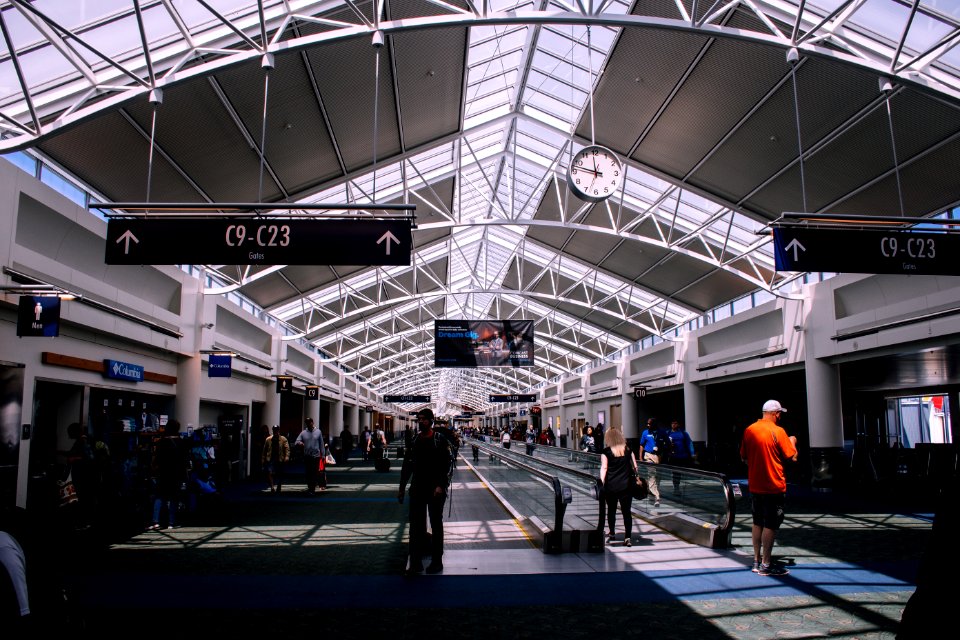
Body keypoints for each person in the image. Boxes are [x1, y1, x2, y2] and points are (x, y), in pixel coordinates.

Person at [740, 400, 798, 577]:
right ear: (775, 414)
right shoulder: (778, 431)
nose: (780, 416)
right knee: (771, 525)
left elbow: (743, 457)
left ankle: (756, 561)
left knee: (757, 522)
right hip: (773, 486)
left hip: (755, 485)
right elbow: (792, 457)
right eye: (779, 413)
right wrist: (793, 441)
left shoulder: (749, 430)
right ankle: (766, 564)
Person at [398, 408, 454, 576]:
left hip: (435, 489)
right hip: (417, 488)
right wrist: (401, 488)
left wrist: (440, 485)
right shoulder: (415, 440)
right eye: (419, 419)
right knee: (415, 526)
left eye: (423, 419)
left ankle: (437, 561)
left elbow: (447, 465)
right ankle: (415, 562)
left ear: (431, 420)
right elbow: (407, 466)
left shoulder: (439, 440)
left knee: (436, 524)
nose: (420, 422)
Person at [599, 427, 639, 546]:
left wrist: (601, 483)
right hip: (626, 486)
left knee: (611, 511)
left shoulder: (606, 452)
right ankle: (627, 537)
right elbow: (635, 467)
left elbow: (604, 468)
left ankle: (612, 532)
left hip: (611, 486)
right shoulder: (628, 450)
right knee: (627, 512)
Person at [148, 419, 187, 530]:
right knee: (174, 498)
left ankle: (155, 521)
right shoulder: (181, 442)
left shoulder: (161, 442)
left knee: (159, 497)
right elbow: (184, 460)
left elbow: (155, 460)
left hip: (162, 473)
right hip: (176, 474)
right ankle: (171, 522)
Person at [295, 417, 326, 494]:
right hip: (307, 456)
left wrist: (323, 455)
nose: (309, 424)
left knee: (314, 472)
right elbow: (296, 441)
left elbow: (321, 444)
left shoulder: (318, 432)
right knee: (308, 473)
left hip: (316, 456)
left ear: (313, 422)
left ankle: (312, 488)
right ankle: (310, 486)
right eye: (307, 423)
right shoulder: (303, 433)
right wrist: (300, 443)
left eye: (310, 422)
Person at [638, 418, 662, 507]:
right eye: (647, 423)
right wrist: (640, 457)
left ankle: (652, 492)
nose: (648, 425)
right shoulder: (645, 433)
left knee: (657, 477)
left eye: (650, 424)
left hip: (658, 457)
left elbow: (667, 444)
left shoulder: (660, 433)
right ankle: (657, 496)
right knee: (652, 475)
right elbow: (641, 445)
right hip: (648, 455)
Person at [667, 420, 695, 492]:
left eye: (675, 423)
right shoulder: (668, 433)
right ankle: (676, 487)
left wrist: (692, 453)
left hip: (683, 456)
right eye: (672, 423)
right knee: (675, 472)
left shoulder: (683, 433)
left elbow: (689, 443)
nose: (673, 424)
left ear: (678, 424)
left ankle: (681, 488)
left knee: (682, 472)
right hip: (673, 456)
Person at [261, 425, 289, 493]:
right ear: (273, 430)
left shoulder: (283, 439)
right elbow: (264, 450)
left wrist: (286, 457)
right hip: (270, 458)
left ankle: (279, 485)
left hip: (280, 458)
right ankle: (272, 487)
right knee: (269, 472)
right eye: (274, 430)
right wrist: (263, 459)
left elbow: (287, 449)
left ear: (279, 430)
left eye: (277, 430)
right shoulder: (268, 439)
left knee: (280, 473)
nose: (275, 431)